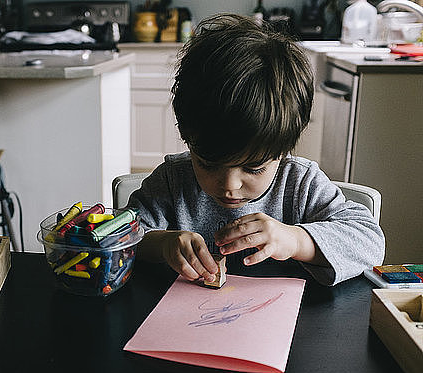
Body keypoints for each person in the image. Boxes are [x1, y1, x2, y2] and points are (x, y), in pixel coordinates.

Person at [127, 14, 385, 286]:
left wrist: (295, 239)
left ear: (283, 150)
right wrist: (161, 243)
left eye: (254, 167)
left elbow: (370, 242)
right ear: (187, 138)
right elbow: (117, 235)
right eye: (208, 163)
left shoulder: (300, 185)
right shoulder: (172, 181)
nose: (230, 185)